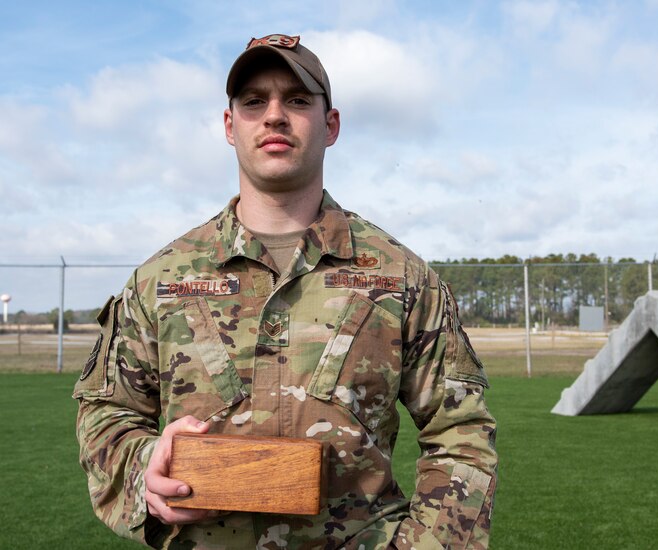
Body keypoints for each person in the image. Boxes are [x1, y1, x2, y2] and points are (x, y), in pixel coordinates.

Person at [74, 34, 497, 549]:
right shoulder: (160, 281)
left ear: (331, 124)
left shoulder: (401, 278)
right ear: (231, 126)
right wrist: (146, 469)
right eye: (254, 101)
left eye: (297, 99)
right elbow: (107, 413)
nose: (274, 115)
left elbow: (461, 434)